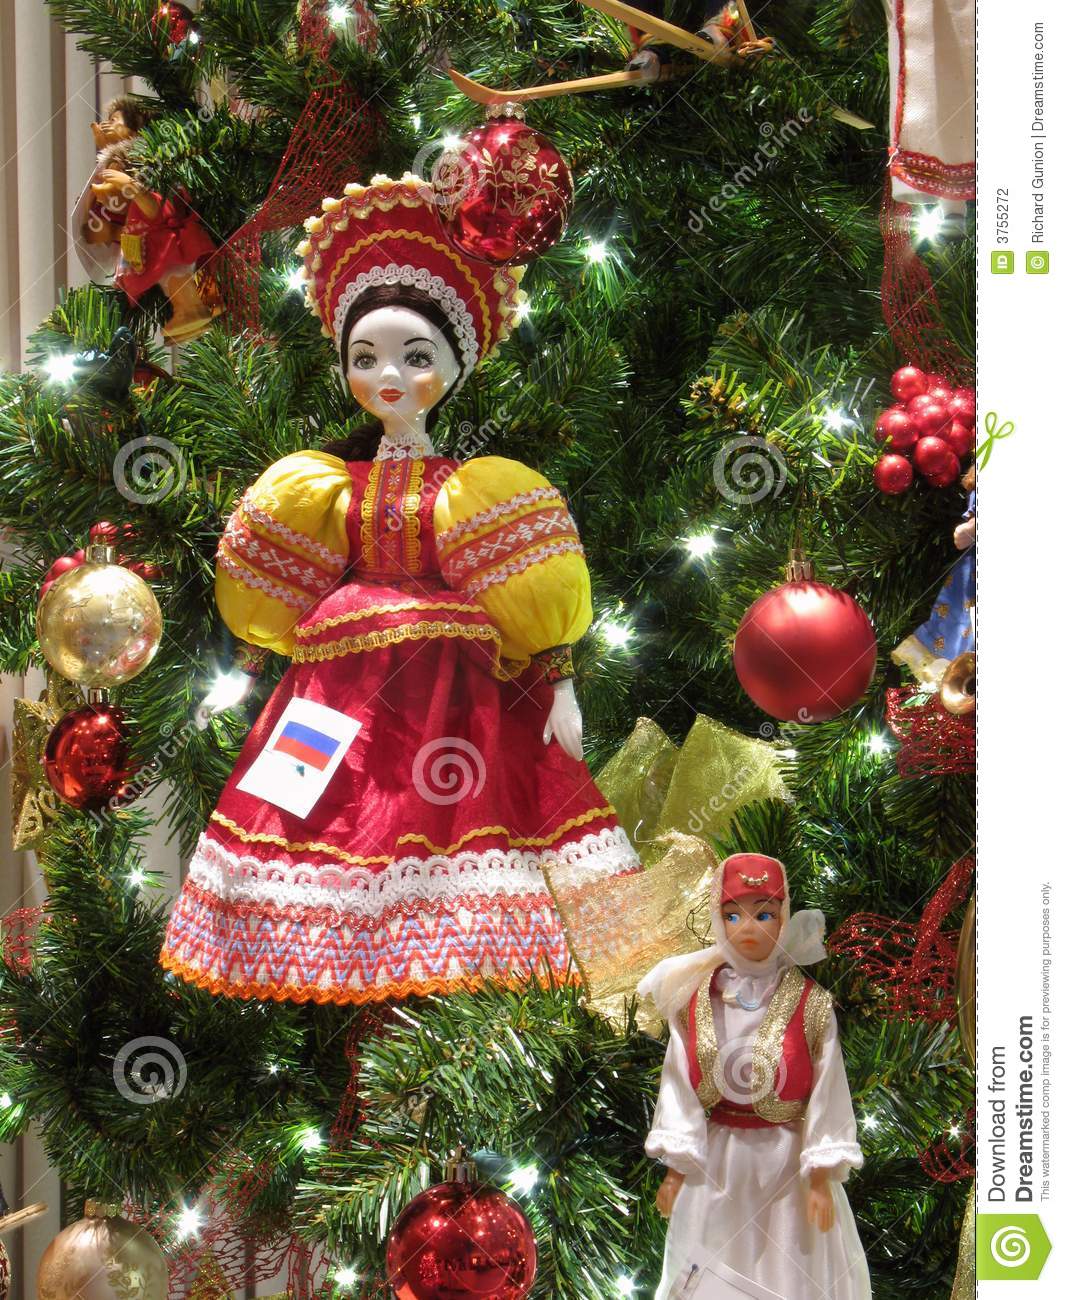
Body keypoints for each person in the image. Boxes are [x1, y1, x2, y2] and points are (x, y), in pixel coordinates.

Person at [160, 173, 640, 1006]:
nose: (388, 376)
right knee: (315, 814)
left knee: (464, 811)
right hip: (333, 692)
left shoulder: (476, 488)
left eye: (416, 358)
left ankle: (451, 945)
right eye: (365, 358)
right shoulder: (323, 489)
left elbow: (528, 589)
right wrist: (242, 671)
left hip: (456, 688)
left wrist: (558, 677)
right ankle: (339, 945)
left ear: (453, 367)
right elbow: (275, 589)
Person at [639, 853, 871, 1300]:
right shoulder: (696, 999)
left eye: (764, 914)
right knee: (710, 1258)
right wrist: (676, 1170)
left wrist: (820, 1175)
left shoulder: (811, 1003)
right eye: (733, 915)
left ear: (783, 918)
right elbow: (678, 1084)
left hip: (787, 1166)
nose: (748, 927)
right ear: (717, 918)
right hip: (717, 1164)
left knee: (791, 1262)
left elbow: (829, 1087)